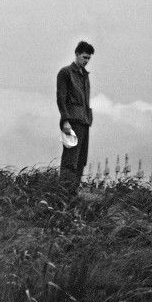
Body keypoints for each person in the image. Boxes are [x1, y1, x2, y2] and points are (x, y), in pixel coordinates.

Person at [57, 41, 94, 191]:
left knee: (81, 161)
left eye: (88, 59)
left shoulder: (85, 76)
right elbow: (61, 98)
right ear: (77, 54)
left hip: (84, 122)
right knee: (70, 160)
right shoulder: (65, 73)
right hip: (72, 122)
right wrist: (65, 121)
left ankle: (73, 193)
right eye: (84, 57)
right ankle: (64, 194)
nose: (86, 61)